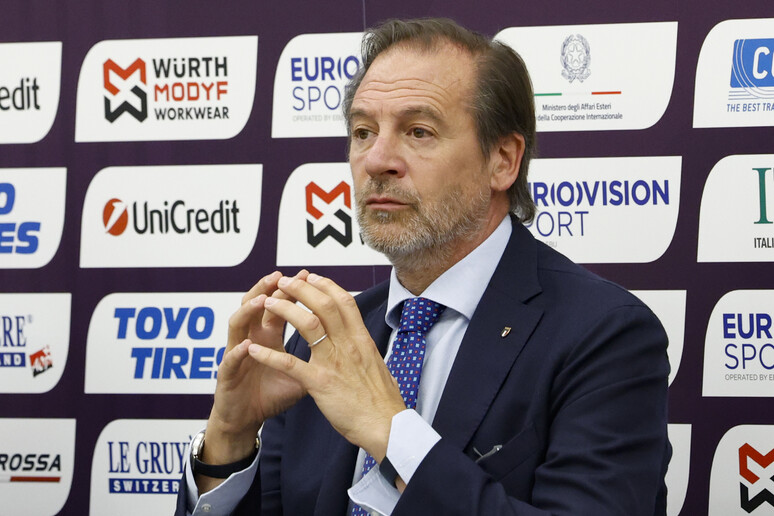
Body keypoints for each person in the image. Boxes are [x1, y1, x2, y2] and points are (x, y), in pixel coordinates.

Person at [176, 17, 670, 516]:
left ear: (503, 160)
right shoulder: (323, 341)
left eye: (418, 131)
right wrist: (230, 438)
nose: (377, 161)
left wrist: (391, 431)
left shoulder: (605, 335)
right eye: (363, 132)